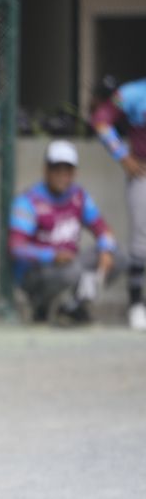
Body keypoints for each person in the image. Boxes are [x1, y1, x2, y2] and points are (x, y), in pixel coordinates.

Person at [9, 140, 121, 325]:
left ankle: (72, 307)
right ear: (46, 170)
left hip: (70, 262)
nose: (62, 175)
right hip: (37, 272)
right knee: (72, 271)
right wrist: (51, 256)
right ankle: (41, 305)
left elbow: (102, 228)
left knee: (118, 256)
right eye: (56, 169)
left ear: (74, 173)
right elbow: (16, 247)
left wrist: (106, 249)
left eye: (67, 170)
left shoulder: (78, 196)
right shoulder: (29, 201)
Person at [90, 75, 146, 330]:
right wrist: (123, 156)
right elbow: (101, 121)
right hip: (143, 172)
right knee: (141, 240)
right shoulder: (133, 93)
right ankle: (136, 304)